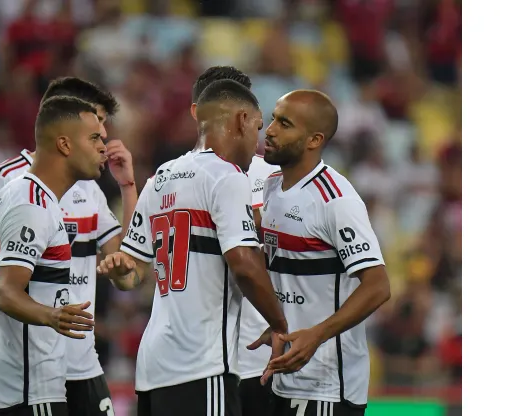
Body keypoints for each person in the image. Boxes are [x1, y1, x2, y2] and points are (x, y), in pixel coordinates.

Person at [97, 80, 288, 416]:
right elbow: (243, 262)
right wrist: (280, 324)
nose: (257, 140)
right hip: (202, 365)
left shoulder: (161, 178)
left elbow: (133, 276)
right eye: (258, 127)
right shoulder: (227, 176)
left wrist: (120, 271)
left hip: (153, 368)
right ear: (242, 119)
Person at [0, 77, 138, 416]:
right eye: (95, 128)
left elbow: (128, 273)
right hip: (26, 369)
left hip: (74, 359)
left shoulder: (85, 190)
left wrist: (129, 188)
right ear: (64, 136)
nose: (105, 140)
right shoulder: (10, 184)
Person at [257, 90, 391, 416]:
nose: (270, 129)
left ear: (313, 139)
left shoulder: (336, 200)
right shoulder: (272, 186)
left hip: (328, 388)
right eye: (273, 117)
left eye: (284, 123)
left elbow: (378, 286)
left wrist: (316, 335)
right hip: (284, 375)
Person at [191, 66, 280, 416]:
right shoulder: (174, 176)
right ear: (198, 111)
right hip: (205, 357)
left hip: (259, 357)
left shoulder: (273, 175)